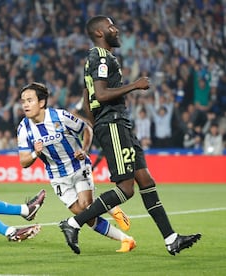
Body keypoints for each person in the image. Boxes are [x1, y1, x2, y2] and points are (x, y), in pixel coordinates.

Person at [58, 15, 201, 255]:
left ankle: (171, 238)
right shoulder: (100, 57)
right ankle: (73, 223)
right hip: (113, 123)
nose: (116, 29)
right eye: (111, 26)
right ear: (100, 33)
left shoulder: (97, 59)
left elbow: (87, 96)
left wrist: (95, 128)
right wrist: (134, 85)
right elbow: (100, 95)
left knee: (145, 180)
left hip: (116, 124)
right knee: (126, 188)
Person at [17, 82, 135, 253]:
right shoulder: (23, 129)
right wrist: (35, 153)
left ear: (41, 103)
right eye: (23, 101)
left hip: (78, 166)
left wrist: (84, 150)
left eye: (29, 100)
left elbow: (86, 129)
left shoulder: (60, 116)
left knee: (86, 205)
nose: (25, 105)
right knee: (85, 215)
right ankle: (126, 238)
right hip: (57, 176)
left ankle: (108, 207)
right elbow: (23, 162)